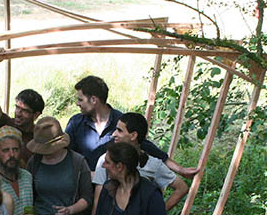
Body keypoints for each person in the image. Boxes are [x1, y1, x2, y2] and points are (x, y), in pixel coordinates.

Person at [64, 75, 197, 177]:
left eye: (80, 100)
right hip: (83, 190)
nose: (77, 103)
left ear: (94, 100)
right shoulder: (76, 123)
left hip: (114, 189)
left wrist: (180, 169)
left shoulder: (121, 122)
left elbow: (146, 146)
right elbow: (65, 154)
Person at [92, 112, 188, 215]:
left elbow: (181, 188)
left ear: (133, 135)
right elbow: (97, 203)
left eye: (119, 131)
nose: (114, 134)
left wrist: (157, 214)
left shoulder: (153, 164)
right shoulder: (105, 161)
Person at [0, 50, 44, 163]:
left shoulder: (40, 137)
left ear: (36, 115)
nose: (18, 113)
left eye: (24, 111)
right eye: (17, 107)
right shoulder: (4, 125)